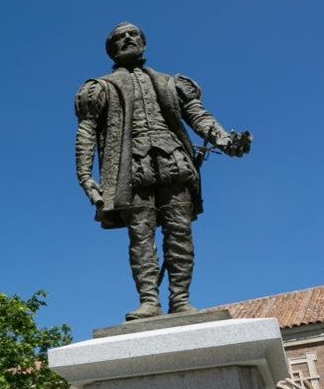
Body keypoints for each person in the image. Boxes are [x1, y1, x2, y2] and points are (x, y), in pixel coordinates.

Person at [74, 22, 250, 320]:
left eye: (133, 34)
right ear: (111, 49)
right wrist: (86, 178)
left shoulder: (170, 82)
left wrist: (224, 139)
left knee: (180, 233)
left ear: (143, 42)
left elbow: (198, 116)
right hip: (131, 169)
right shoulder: (99, 88)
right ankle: (149, 301)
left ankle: (180, 300)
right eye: (119, 37)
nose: (127, 38)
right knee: (141, 236)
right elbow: (86, 131)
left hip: (175, 162)